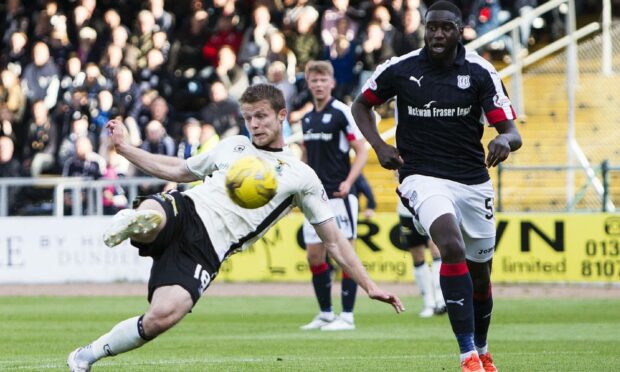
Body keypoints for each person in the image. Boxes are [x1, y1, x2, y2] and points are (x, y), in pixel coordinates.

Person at [67, 84, 403, 372]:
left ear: (282, 116)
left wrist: (369, 285)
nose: (254, 124)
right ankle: (137, 221)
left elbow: (335, 242)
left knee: (162, 317)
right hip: (188, 209)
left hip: (209, 250)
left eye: (261, 116)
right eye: (248, 117)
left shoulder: (301, 176)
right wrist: (125, 148)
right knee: (157, 213)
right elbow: (180, 171)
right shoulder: (233, 146)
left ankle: (86, 355)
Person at [351, 2, 522, 371]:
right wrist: (380, 146)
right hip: (421, 176)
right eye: (432, 28)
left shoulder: (480, 71)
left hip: (473, 180)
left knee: (481, 273)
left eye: (446, 28)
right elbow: (360, 106)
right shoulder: (400, 68)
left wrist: (504, 142)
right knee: (449, 244)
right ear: (424, 29)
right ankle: (467, 356)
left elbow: (511, 130)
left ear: (459, 30)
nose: (438, 35)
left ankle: (483, 347)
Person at [299, 61, 368, 332]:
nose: (318, 84)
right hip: (313, 198)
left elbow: (360, 150)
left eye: (322, 79)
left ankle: (347, 316)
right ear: (308, 83)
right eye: (313, 80)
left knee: (344, 255)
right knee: (315, 257)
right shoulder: (306, 118)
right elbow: (305, 157)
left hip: (339, 196)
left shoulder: (341, 112)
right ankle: (326, 313)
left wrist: (349, 182)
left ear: (332, 83)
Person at [397, 199, 445, 318]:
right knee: (417, 257)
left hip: (430, 208)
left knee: (436, 250)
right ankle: (429, 304)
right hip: (407, 212)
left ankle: (441, 300)